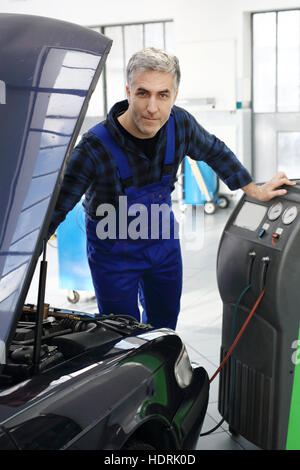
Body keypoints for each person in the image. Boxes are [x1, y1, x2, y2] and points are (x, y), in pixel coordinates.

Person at [48, 47, 295, 330]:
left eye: (162, 95)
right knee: (120, 334)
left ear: (174, 96)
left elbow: (216, 152)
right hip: (114, 258)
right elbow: (57, 205)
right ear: (128, 92)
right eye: (143, 93)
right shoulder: (94, 147)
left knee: (164, 328)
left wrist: (254, 189)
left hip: (162, 247)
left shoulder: (180, 125)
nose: (152, 107)